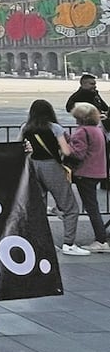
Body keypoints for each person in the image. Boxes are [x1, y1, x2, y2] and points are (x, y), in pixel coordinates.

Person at [21, 99, 90, 258]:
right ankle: (69, 244)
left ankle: (41, 242)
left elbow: (19, 145)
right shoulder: (55, 128)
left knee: (39, 206)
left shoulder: (26, 127)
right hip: (51, 166)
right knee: (70, 207)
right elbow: (66, 152)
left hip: (32, 165)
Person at [68, 102, 109, 253]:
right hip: (98, 171)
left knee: (92, 208)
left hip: (85, 173)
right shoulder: (97, 130)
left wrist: (64, 147)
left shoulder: (81, 132)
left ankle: (101, 240)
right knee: (93, 206)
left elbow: (78, 154)